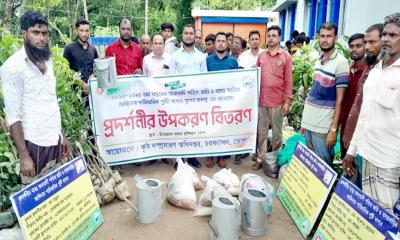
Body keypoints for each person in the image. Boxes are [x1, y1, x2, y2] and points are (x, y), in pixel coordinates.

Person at [0, 11, 69, 183]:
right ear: (24, 34)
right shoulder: (13, 67)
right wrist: (24, 156)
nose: (41, 39)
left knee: (56, 193)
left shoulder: (48, 60)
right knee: (35, 200)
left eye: (44, 33)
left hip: (54, 140)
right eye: (35, 33)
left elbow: (52, 101)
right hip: (33, 144)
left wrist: (61, 135)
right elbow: (13, 117)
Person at [343, 13, 400, 210]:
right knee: (369, 211)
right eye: (385, 34)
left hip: (390, 162)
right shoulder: (375, 72)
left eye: (393, 35)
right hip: (366, 154)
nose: (386, 39)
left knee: (388, 216)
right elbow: (364, 117)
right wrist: (352, 152)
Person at [300, 22, 349, 166]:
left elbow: (341, 100)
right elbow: (314, 92)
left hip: (323, 125)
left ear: (336, 38)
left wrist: (333, 130)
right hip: (310, 122)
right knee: (311, 166)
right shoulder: (319, 60)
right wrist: (305, 122)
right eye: (322, 36)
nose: (325, 39)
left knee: (323, 167)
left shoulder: (341, 63)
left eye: (329, 36)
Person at [341, 24, 383, 189]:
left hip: (365, 144)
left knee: (361, 187)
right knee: (352, 183)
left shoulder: (378, 73)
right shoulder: (353, 70)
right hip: (349, 135)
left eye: (371, 42)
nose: (365, 47)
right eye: (352, 46)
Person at [252, 26, 293, 170]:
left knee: (277, 133)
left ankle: (275, 159)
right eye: (268, 35)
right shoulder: (262, 55)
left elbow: (288, 80)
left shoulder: (285, 56)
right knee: (261, 132)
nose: (270, 38)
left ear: (279, 37)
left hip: (277, 102)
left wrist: (287, 101)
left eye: (274, 35)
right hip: (261, 100)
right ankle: (260, 158)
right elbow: (255, 73)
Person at [171, 24, 207, 168]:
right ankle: (179, 159)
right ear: (182, 36)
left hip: (195, 100)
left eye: (191, 33)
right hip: (179, 100)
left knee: (193, 129)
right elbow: (171, 81)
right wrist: (183, 88)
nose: (188, 36)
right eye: (186, 33)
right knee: (179, 129)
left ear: (195, 36)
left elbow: (204, 79)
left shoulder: (200, 56)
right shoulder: (175, 56)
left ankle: (192, 157)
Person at [205, 32, 239, 168]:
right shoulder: (207, 61)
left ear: (227, 43)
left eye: (223, 41)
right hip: (210, 101)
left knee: (224, 129)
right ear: (215, 43)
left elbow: (237, 82)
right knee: (210, 129)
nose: (220, 43)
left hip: (227, 102)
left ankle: (221, 156)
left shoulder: (233, 62)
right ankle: (209, 155)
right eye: (218, 41)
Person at [340, 33, 366, 158]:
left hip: (358, 133)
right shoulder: (347, 71)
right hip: (344, 128)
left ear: (365, 47)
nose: (354, 49)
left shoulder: (368, 73)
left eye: (358, 46)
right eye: (351, 46)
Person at [63, 19, 98, 94]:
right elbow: (65, 71)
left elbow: (97, 68)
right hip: (75, 93)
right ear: (77, 32)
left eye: (87, 31)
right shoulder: (69, 49)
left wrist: (93, 75)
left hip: (92, 90)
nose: (84, 34)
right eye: (81, 31)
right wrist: (81, 84)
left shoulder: (93, 49)